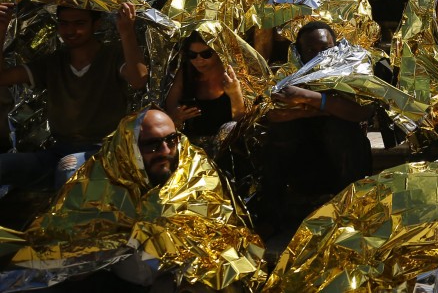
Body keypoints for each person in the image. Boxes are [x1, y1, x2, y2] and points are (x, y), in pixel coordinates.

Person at [0, 108, 265, 291]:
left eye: (171, 140)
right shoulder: (102, 176)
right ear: (130, 148)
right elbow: (72, 235)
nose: (165, 151)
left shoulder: (194, 170)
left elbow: (222, 230)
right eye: (151, 144)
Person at [0, 1, 148, 192]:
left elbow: (138, 79)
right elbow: (2, 78)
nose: (71, 30)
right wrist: (1, 29)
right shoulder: (54, 62)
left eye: (79, 23)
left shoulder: (111, 56)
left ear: (96, 25)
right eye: (64, 24)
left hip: (103, 151)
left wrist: (127, 31)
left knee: (69, 167)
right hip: (58, 151)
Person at [253, 21, 376, 233]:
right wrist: (322, 107)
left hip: (341, 157)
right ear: (300, 51)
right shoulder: (285, 74)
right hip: (299, 156)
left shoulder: (351, 69)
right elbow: (271, 114)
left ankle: (349, 214)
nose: (319, 54)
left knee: (341, 129)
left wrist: (308, 98)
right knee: (279, 136)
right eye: (311, 50)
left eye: (325, 49)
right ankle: (272, 216)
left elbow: (362, 111)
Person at [164, 31, 247, 145]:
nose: (199, 60)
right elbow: (170, 112)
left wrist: (235, 94)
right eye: (192, 55)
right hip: (193, 147)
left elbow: (241, 123)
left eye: (206, 54)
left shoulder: (233, 76)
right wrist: (177, 118)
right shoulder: (186, 73)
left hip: (227, 146)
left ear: (218, 52)